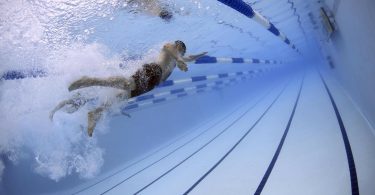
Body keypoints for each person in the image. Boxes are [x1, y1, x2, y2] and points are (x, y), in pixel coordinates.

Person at [51, 40, 207, 137]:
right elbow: (173, 51)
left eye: (182, 51)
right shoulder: (170, 47)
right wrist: (179, 59)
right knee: (127, 84)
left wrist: (202, 54)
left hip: (151, 84)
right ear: (177, 45)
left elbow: (191, 58)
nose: (180, 51)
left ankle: (95, 113)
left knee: (121, 97)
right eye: (180, 48)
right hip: (152, 70)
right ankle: (90, 81)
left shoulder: (178, 58)